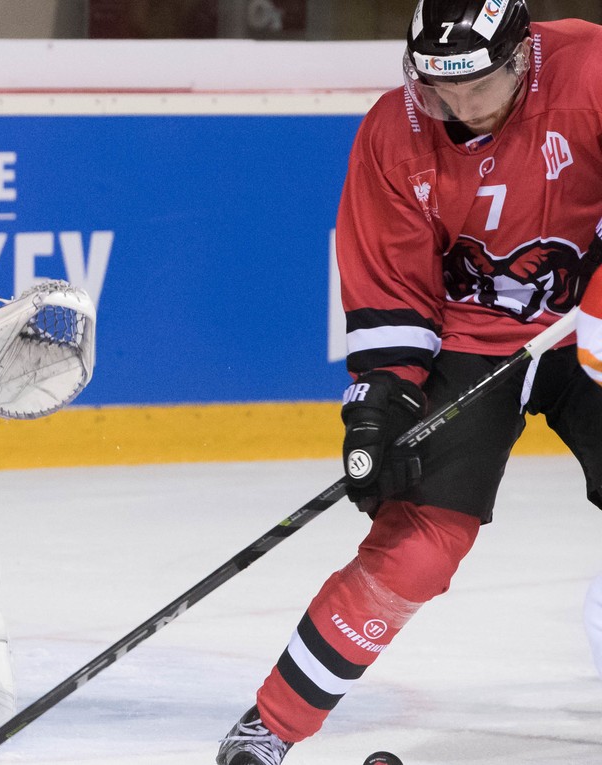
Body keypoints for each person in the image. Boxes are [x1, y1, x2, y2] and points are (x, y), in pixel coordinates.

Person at [217, 3, 602, 763]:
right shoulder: (394, 133)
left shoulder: (590, 71)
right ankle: (273, 723)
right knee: (417, 544)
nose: (457, 107)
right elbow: (393, 291)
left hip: (589, 319)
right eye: (438, 88)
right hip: (472, 338)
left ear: (522, 57)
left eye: (476, 87)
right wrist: (380, 405)